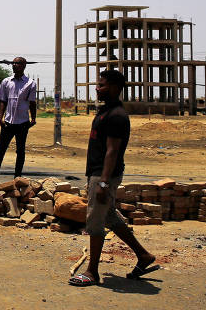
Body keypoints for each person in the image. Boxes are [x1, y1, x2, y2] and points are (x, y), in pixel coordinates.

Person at [68, 69, 158, 287]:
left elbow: (112, 151)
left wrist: (103, 182)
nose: (97, 88)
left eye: (102, 85)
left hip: (103, 174)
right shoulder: (106, 111)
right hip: (99, 173)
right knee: (108, 216)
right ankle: (143, 255)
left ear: (116, 88)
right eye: (98, 85)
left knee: (95, 221)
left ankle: (92, 272)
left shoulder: (117, 116)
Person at [0, 57, 37, 179]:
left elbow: (32, 103)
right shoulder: (6, 82)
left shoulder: (30, 83)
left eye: (17, 63)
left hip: (22, 123)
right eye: (13, 63)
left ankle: (17, 177)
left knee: (20, 152)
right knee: (0, 151)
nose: (14, 65)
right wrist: (0, 118)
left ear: (24, 65)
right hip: (8, 123)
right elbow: (2, 101)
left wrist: (33, 119)